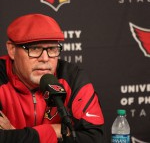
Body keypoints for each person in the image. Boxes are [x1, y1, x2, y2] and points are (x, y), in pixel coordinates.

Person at [0, 13, 105, 143]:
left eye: (52, 49)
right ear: (12, 50)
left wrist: (16, 134)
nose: (45, 58)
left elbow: (93, 138)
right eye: (35, 48)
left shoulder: (72, 78)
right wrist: (58, 131)